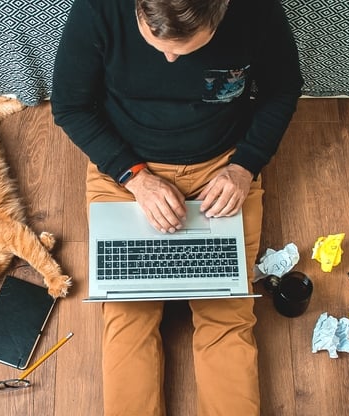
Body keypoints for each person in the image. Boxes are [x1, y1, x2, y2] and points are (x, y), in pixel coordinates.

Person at [50, 0, 302, 414]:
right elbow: (70, 106)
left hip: (223, 167)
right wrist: (135, 177)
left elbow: (281, 90)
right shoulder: (98, 8)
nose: (169, 59)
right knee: (128, 317)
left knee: (227, 317)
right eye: (158, 45)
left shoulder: (257, 10)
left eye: (187, 51)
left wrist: (245, 166)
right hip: (126, 170)